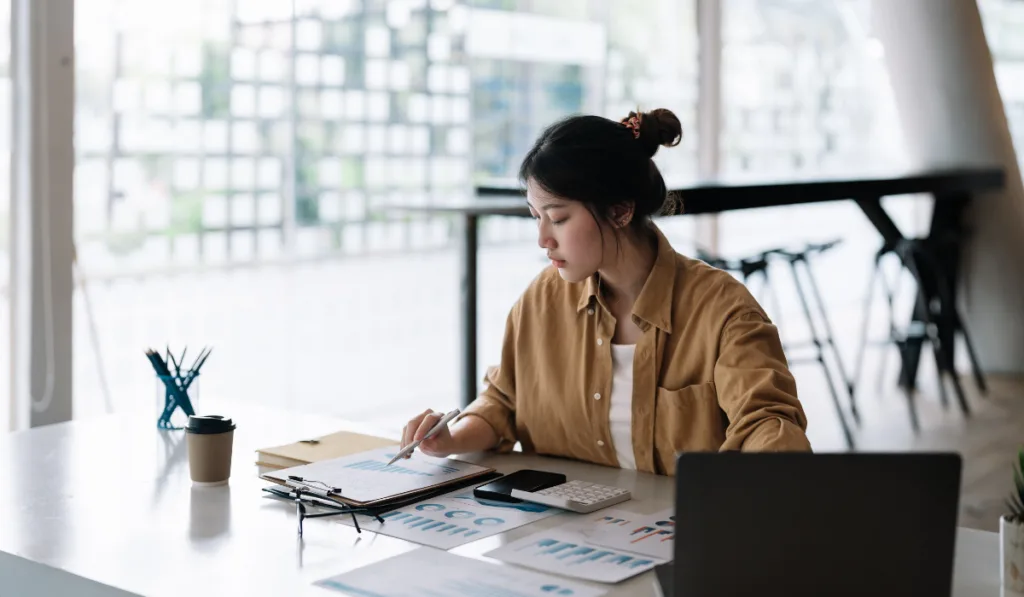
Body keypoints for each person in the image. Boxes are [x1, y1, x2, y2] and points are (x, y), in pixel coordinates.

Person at [401, 108, 812, 475]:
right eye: (535, 217)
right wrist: (451, 438)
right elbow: (503, 403)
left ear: (619, 210)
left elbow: (767, 422)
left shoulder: (722, 311)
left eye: (558, 218)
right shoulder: (540, 303)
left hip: (678, 541)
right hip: (560, 540)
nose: (543, 238)